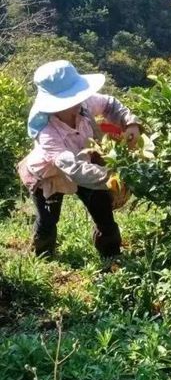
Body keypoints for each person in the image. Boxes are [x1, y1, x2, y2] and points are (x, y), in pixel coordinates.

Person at [17, 60, 141, 258]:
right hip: (50, 176)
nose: (76, 102)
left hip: (86, 164)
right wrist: (111, 176)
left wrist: (130, 123)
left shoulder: (84, 104)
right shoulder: (47, 131)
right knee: (48, 220)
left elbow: (110, 104)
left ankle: (111, 255)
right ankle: (43, 255)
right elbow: (73, 168)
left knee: (103, 213)